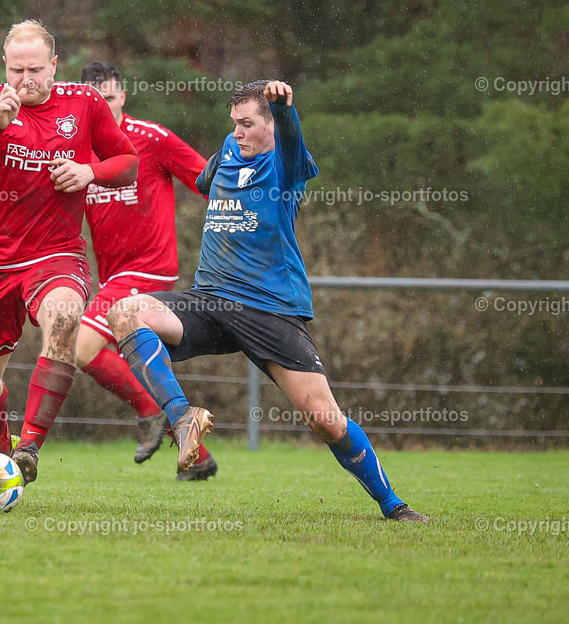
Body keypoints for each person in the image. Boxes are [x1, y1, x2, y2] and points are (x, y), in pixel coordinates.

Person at [108, 80, 429, 522]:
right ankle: (183, 418)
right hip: (211, 301)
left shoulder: (286, 165)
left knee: (324, 420)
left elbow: (292, 140)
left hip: (269, 310)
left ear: (271, 125)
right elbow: (205, 182)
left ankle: (393, 505)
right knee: (124, 312)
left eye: (248, 124)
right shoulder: (225, 152)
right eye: (234, 124)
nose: (238, 132)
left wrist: (285, 110)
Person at [0, 20, 138, 484]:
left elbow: (128, 163)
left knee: (66, 316)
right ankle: (0, 456)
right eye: (17, 70)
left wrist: (89, 172)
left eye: (35, 69)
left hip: (55, 254)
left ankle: (30, 444)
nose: (26, 79)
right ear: (5, 66)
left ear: (54, 65)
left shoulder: (85, 103)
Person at [77, 62, 216, 481]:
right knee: (140, 362)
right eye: (95, 99)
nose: (104, 105)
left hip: (150, 269)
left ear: (123, 98)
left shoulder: (151, 139)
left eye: (111, 97)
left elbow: (207, 180)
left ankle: (149, 410)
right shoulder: (75, 149)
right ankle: (200, 457)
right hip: (114, 275)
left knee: (80, 347)